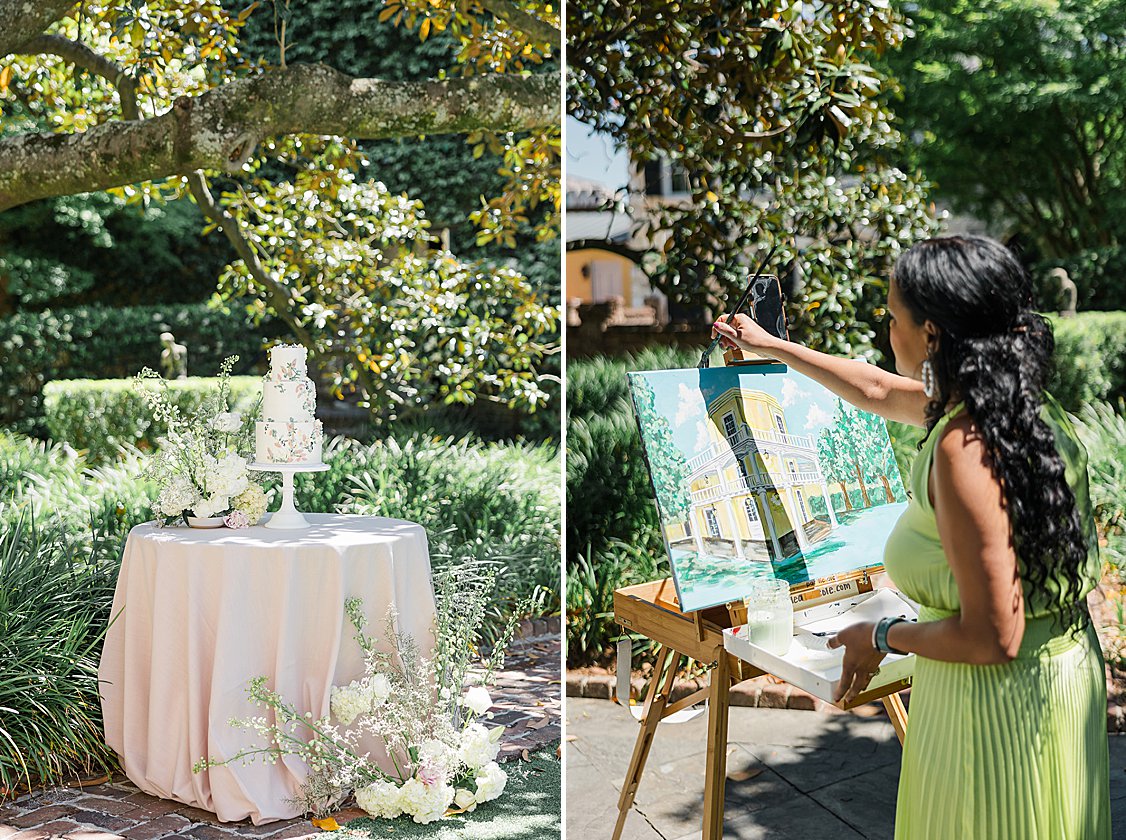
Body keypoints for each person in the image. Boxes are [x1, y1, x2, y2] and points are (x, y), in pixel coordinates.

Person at [711, 235, 1110, 839]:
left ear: (931, 334)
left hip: (994, 706)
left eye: (892, 317)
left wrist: (880, 634)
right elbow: (873, 388)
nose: (885, 333)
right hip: (1056, 680)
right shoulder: (1018, 407)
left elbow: (992, 634)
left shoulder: (964, 444)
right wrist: (771, 347)